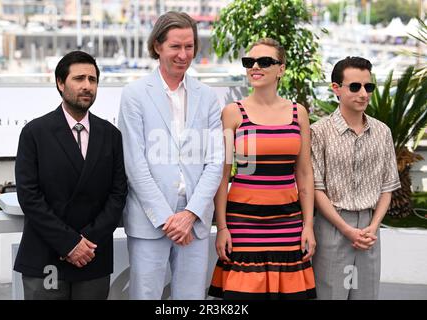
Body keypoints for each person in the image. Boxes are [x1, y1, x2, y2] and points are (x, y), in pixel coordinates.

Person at [118, 11, 224, 300]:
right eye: (175, 46)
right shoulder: (135, 94)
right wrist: (168, 219)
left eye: (189, 46)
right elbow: (134, 164)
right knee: (145, 295)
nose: (183, 54)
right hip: (150, 219)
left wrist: (189, 214)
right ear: (157, 46)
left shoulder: (208, 96)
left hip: (195, 219)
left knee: (191, 298)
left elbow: (215, 162)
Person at [208, 38, 316, 300]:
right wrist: (222, 227)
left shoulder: (297, 112)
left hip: (288, 223)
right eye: (249, 62)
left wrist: (308, 225)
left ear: (281, 69)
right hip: (243, 224)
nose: (255, 67)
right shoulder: (233, 113)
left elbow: (303, 173)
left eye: (264, 61)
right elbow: (223, 177)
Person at [14, 51, 128, 300]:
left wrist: (86, 243)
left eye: (93, 79)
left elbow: (118, 194)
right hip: (45, 256)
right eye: (79, 79)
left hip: (92, 256)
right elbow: (29, 196)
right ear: (60, 82)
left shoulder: (111, 135)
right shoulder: (35, 132)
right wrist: (69, 244)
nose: (87, 86)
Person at [310, 56, 401, 300]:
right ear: (336, 89)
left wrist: (373, 226)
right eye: (355, 86)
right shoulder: (319, 132)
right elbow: (317, 189)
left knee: (366, 296)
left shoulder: (382, 132)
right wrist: (346, 230)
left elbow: (387, 186)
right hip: (332, 227)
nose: (363, 93)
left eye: (368, 87)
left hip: (370, 229)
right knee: (331, 295)